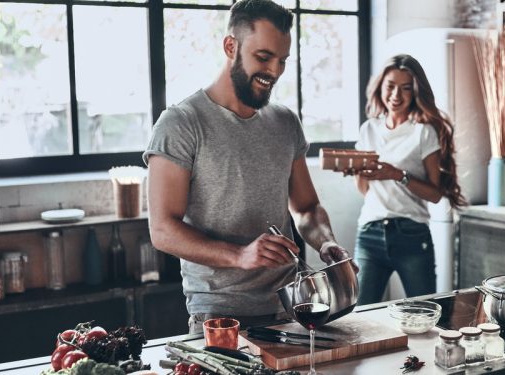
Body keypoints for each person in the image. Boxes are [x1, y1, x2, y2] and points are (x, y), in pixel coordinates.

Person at [143, 0, 352, 334]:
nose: (274, 71)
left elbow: (307, 208)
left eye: (282, 60)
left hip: (292, 309)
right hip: (219, 318)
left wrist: (325, 242)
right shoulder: (181, 123)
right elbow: (162, 230)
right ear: (231, 46)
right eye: (263, 57)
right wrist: (240, 255)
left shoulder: (285, 122)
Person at [349, 54, 467, 305]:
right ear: (380, 87)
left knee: (425, 312)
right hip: (370, 233)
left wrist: (397, 175)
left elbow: (435, 194)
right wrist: (359, 171)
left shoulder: (424, 132)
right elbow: (364, 191)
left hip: (412, 235)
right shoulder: (368, 129)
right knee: (359, 315)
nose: (396, 95)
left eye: (405, 89)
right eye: (390, 86)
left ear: (415, 93)